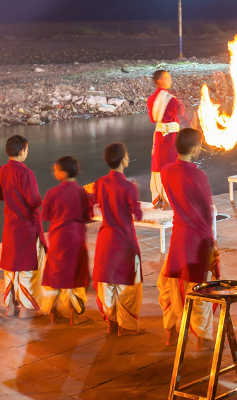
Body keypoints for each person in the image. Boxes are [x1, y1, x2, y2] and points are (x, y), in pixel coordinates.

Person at [158, 129, 221, 350]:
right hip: (197, 238)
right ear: (195, 148)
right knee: (198, 288)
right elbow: (206, 211)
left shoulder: (166, 171)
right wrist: (211, 241)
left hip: (178, 237)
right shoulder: (198, 175)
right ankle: (202, 339)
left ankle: (172, 332)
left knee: (169, 285)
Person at [92, 142, 144, 335]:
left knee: (108, 282)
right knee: (127, 285)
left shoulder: (100, 183)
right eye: (127, 154)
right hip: (124, 240)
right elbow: (137, 214)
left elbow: (91, 201)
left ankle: (111, 321)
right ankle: (127, 326)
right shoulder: (128, 186)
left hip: (106, 239)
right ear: (123, 159)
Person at [0, 135, 44, 318]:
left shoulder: (2, 170)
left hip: (10, 223)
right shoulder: (25, 172)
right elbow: (33, 200)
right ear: (23, 151)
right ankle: (26, 309)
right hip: (26, 224)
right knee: (27, 266)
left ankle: (10, 307)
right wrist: (42, 201)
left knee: (11, 266)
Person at [39, 156, 92, 324]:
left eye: (56, 170)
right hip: (76, 238)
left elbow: (45, 215)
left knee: (54, 274)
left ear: (62, 173)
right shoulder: (82, 192)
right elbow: (88, 216)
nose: (54, 173)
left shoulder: (52, 193)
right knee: (76, 274)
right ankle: (74, 316)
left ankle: (53, 313)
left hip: (57, 238)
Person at [148, 70, 185, 208]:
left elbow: (153, 119)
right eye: (167, 78)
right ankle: (170, 199)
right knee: (171, 164)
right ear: (159, 81)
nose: (170, 80)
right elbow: (178, 116)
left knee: (158, 164)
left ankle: (159, 198)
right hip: (170, 136)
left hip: (158, 136)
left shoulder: (151, 99)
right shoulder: (171, 99)